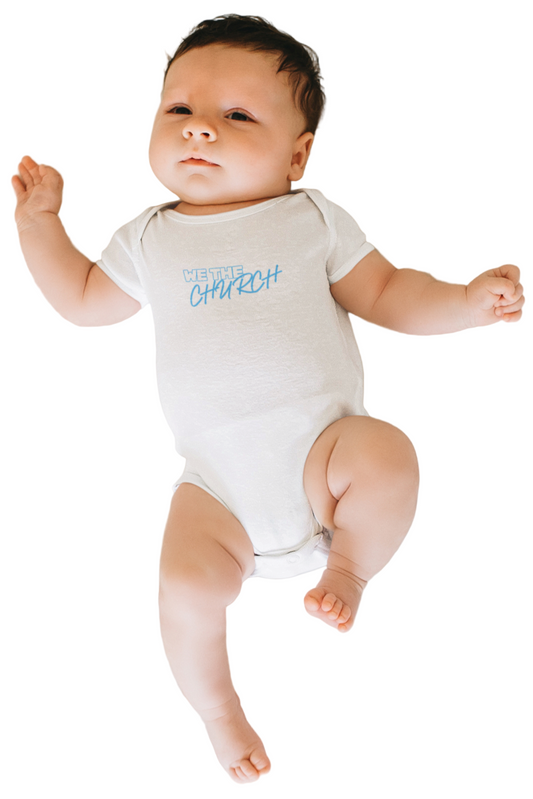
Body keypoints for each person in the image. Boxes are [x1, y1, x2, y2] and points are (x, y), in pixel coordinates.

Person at [12, 14, 524, 785]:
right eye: (178, 110)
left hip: (326, 461)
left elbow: (387, 291)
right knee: (181, 587)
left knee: (387, 453)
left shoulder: (309, 219)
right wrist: (39, 225)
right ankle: (218, 711)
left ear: (297, 152)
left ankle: (348, 568)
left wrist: (462, 299)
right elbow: (82, 299)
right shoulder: (148, 240)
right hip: (215, 489)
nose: (201, 131)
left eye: (236, 115)